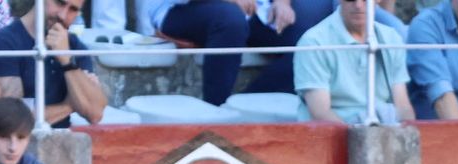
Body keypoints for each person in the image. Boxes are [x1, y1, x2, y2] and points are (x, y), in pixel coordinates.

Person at [142, 0, 337, 107]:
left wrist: (282, 3)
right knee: (230, 19)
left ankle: (248, 104)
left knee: (307, 40)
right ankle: (215, 110)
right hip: (182, 9)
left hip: (255, 9)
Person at [0, 0, 106, 127]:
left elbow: (95, 114)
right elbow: (11, 121)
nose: (62, 15)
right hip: (24, 144)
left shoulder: (75, 45)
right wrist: (69, 106)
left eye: (73, 9)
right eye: (59, 3)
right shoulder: (5, 43)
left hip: (63, 141)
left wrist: (66, 61)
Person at [293, 0, 413, 123]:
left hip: (384, 134)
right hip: (331, 137)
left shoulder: (391, 38)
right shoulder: (313, 42)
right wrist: (365, 139)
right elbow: (320, 114)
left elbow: (403, 107)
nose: (358, 5)